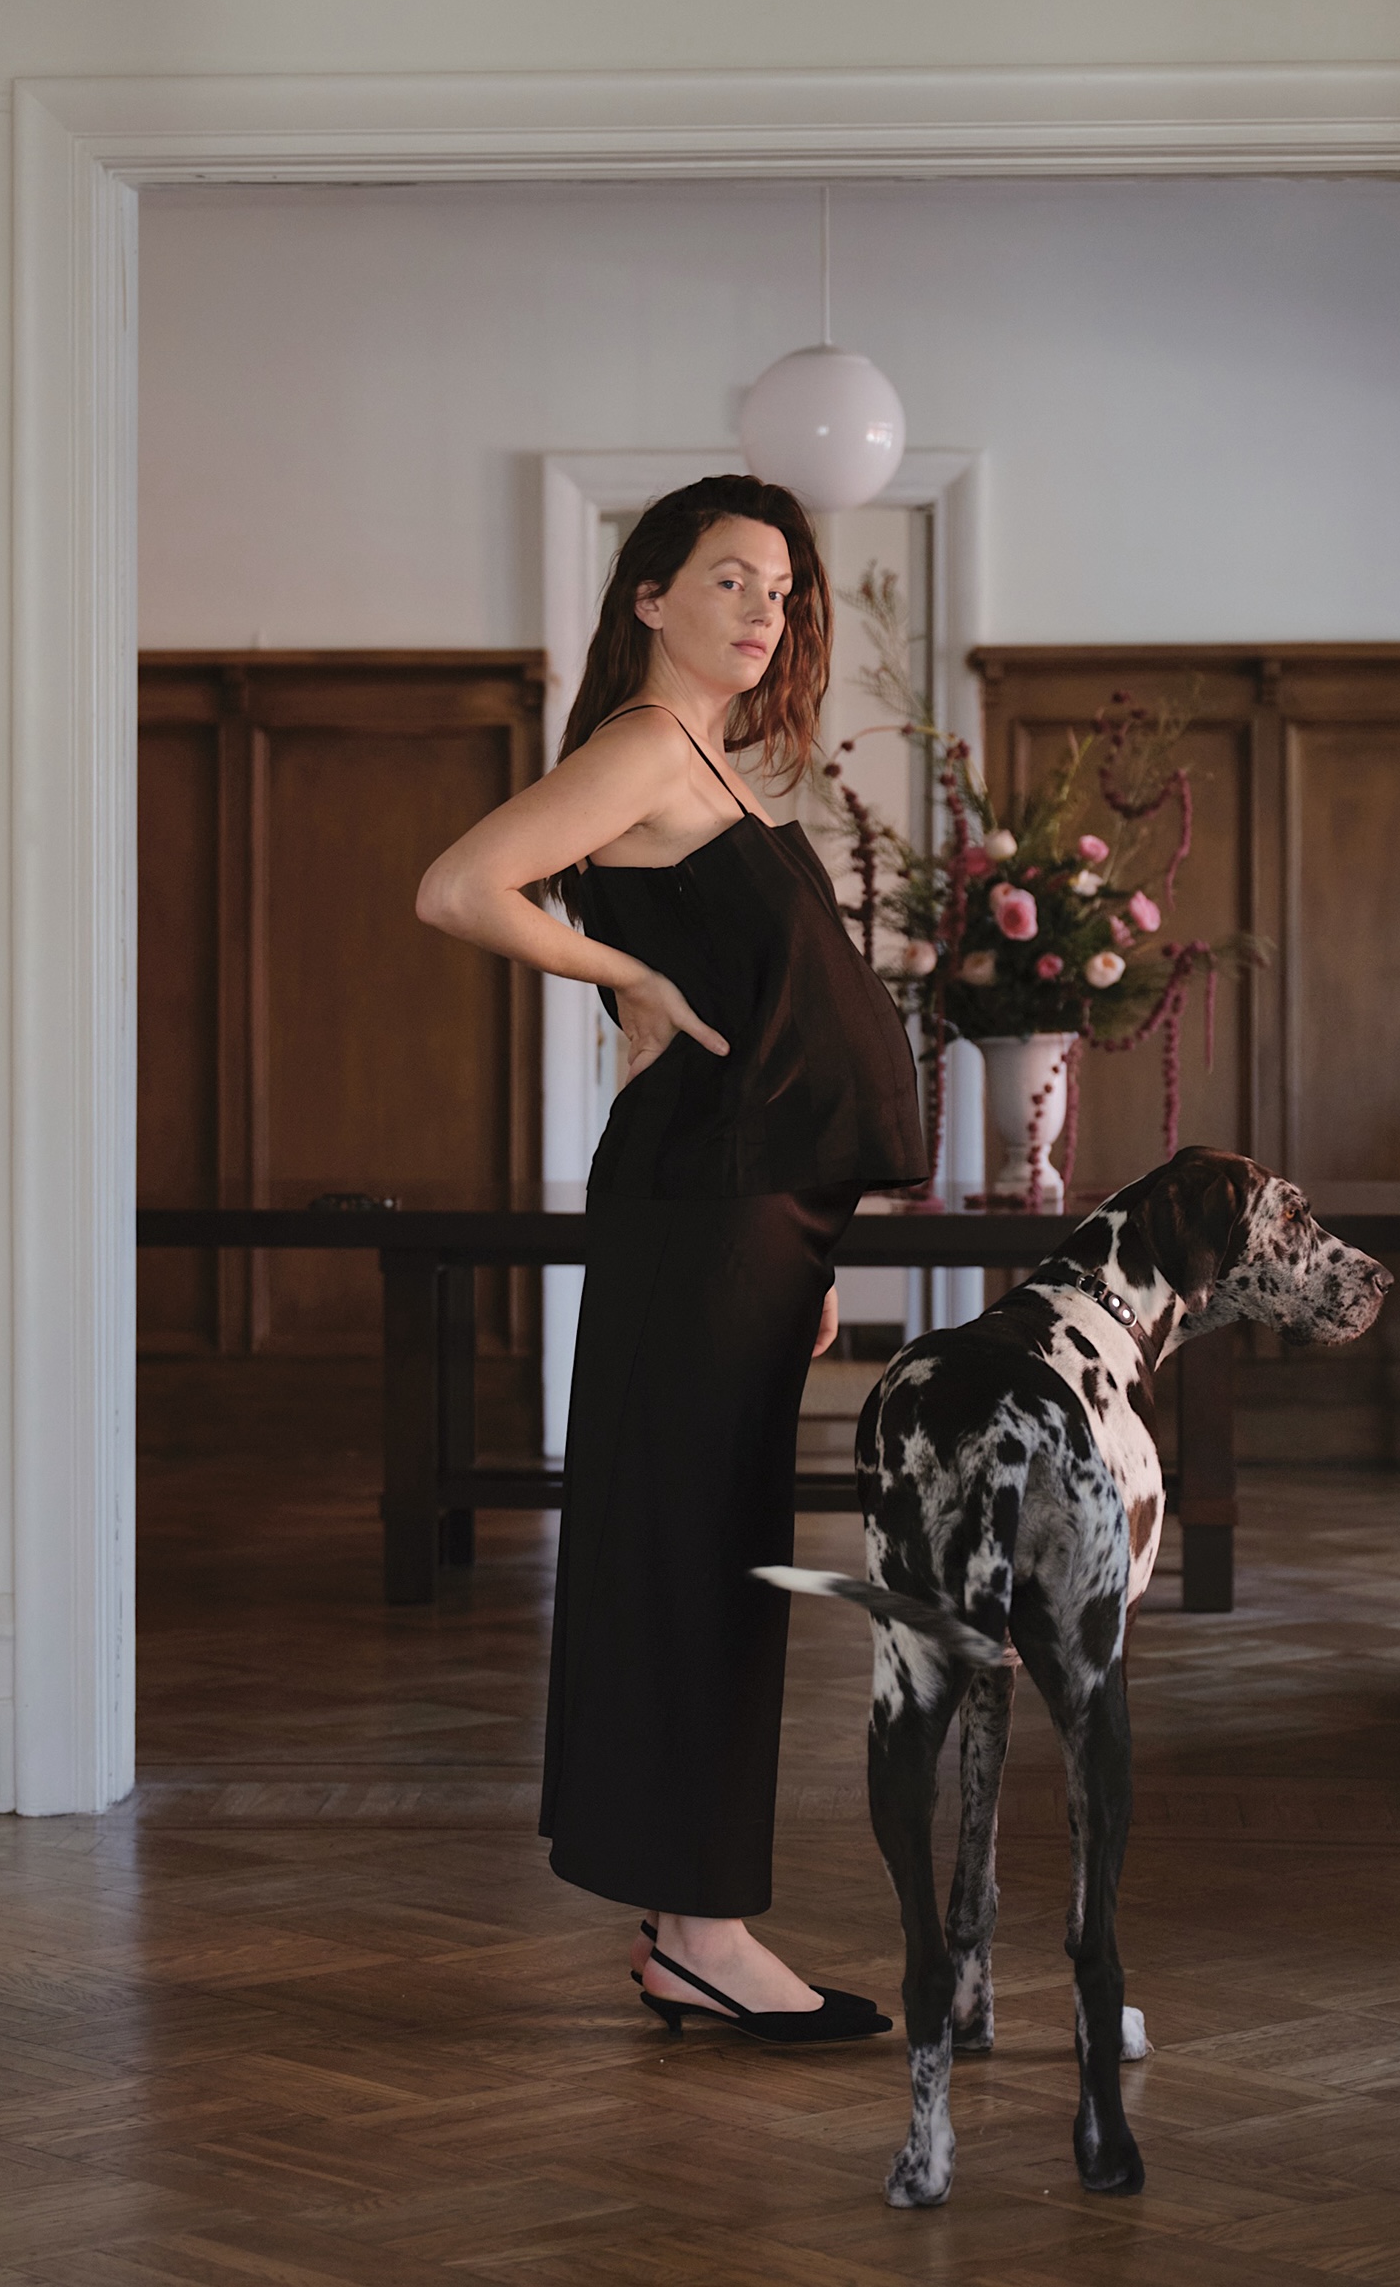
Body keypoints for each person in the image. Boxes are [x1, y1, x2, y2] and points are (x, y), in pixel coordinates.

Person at [417, 474, 926, 2040]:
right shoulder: (645, 748)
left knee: (709, 1559)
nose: (763, 608)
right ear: (649, 596)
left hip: (752, 1216)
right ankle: (703, 1931)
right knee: (694, 1566)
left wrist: (816, 1234)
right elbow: (456, 887)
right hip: (703, 1213)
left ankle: (688, 1925)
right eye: (727, 579)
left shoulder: (722, 759)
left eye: (778, 586)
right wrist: (622, 964)